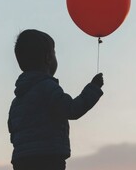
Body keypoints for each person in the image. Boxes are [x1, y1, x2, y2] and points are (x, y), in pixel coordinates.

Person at [8, 29, 104, 170]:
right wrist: (93, 88)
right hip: (48, 158)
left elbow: (13, 131)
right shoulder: (47, 88)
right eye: (54, 52)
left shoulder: (17, 101)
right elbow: (72, 109)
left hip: (21, 160)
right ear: (48, 58)